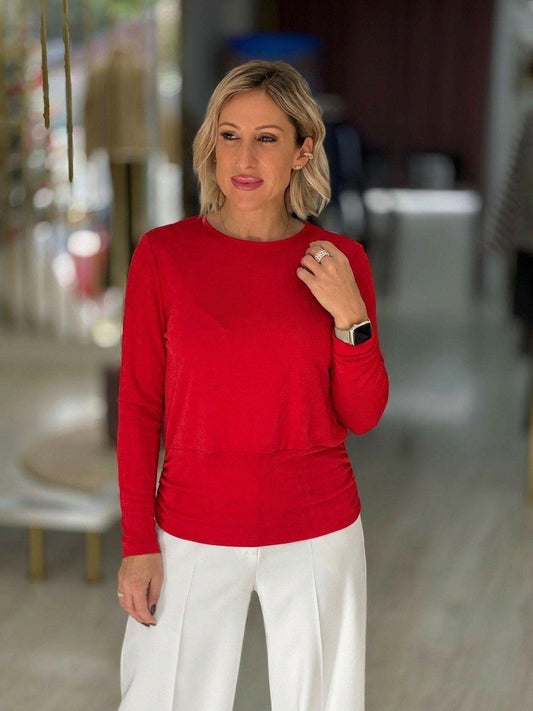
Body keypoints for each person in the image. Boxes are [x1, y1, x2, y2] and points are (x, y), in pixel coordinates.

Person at [116, 59, 389, 711]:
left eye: (267, 138)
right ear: (211, 145)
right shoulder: (163, 255)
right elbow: (139, 407)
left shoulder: (339, 261)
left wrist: (350, 317)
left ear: (302, 151)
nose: (244, 158)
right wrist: (137, 544)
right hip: (191, 527)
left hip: (318, 526)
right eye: (229, 135)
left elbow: (363, 413)